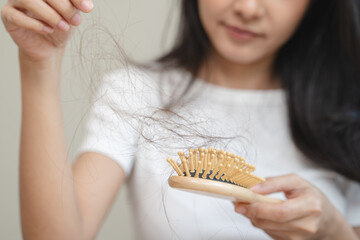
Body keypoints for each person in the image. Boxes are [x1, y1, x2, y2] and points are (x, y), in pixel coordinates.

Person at [1, 0, 360, 239]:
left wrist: (336, 233)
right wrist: (38, 65)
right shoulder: (134, 92)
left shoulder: (349, 108)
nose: (248, 8)